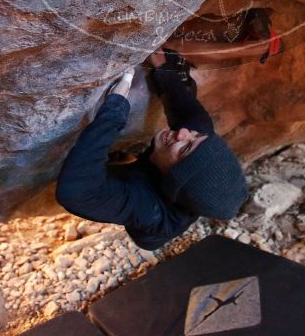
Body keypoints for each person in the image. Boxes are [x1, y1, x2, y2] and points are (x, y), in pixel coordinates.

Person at [55, 50, 248, 250]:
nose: (182, 133)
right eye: (195, 137)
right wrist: (164, 70)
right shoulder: (195, 134)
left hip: (149, 220)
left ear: (171, 176)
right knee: (187, 129)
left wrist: (114, 110)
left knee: (91, 170)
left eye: (184, 149)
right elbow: (189, 112)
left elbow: (76, 191)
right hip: (163, 172)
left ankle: (126, 159)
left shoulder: (150, 211)